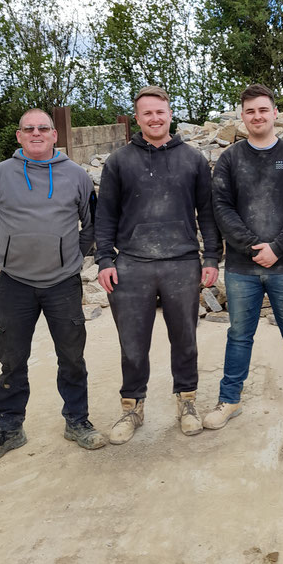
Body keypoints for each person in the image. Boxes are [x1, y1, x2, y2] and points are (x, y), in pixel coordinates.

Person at [0, 109, 104, 465]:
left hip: (63, 283)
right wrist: (6, 259)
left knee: (72, 357)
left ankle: (77, 422)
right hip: (15, 284)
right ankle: (9, 429)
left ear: (54, 135)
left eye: (43, 128)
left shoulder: (76, 176)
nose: (36, 133)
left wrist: (72, 257)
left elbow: (90, 224)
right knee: (11, 359)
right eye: (28, 129)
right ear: (19, 136)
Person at [95, 86, 221, 443]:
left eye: (160, 111)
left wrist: (210, 257)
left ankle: (187, 401)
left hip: (181, 263)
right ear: (138, 118)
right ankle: (132, 407)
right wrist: (105, 259)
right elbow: (104, 216)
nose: (154, 118)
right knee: (133, 342)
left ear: (170, 114)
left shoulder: (193, 160)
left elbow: (208, 214)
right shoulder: (119, 161)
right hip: (132, 264)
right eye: (147, 113)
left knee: (185, 339)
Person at [203, 83, 283, 429]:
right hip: (242, 267)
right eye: (250, 111)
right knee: (239, 335)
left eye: (263, 109)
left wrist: (278, 247)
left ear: (274, 113)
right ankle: (229, 400)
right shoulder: (230, 158)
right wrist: (254, 246)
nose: (257, 116)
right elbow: (221, 206)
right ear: (242, 117)